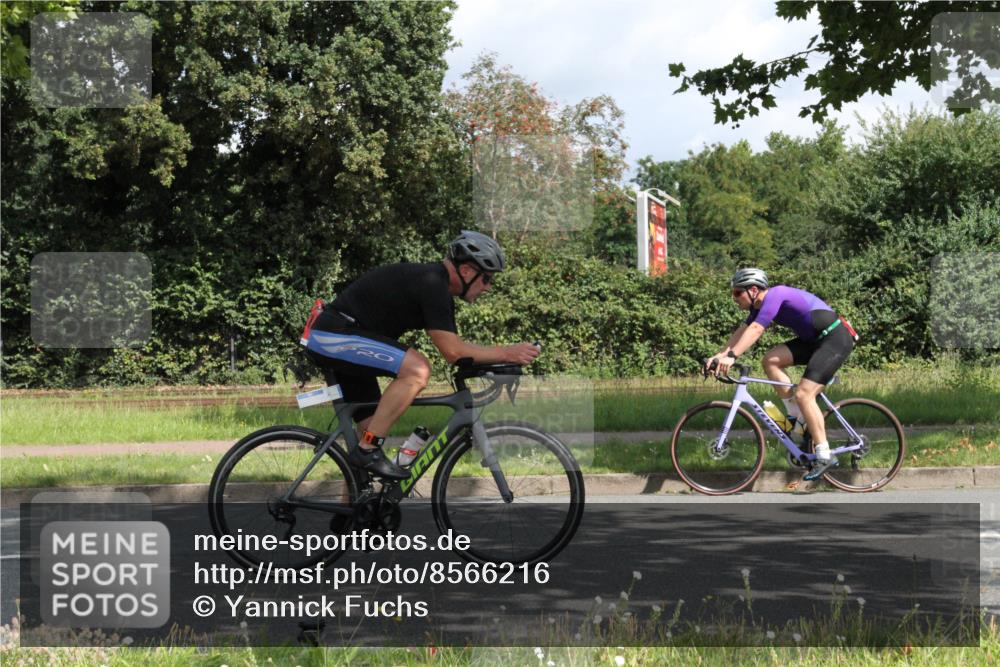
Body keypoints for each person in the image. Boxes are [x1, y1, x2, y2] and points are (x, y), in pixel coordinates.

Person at [302, 231, 540, 480]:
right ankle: (367, 450)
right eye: (487, 279)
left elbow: (457, 349)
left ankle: (353, 513)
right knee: (418, 370)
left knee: (369, 432)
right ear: (468, 271)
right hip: (334, 336)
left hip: (344, 340)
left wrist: (499, 360)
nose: (489, 287)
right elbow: (454, 352)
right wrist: (507, 353)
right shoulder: (432, 283)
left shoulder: (436, 285)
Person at [705, 268, 857, 480]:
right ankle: (798, 421)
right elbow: (742, 331)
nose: (734, 298)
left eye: (737, 293)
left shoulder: (776, 294)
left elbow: (757, 329)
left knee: (805, 393)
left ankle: (824, 454)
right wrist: (719, 356)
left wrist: (732, 357)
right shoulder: (756, 308)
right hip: (814, 341)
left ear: (754, 290)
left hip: (834, 338)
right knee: (771, 360)